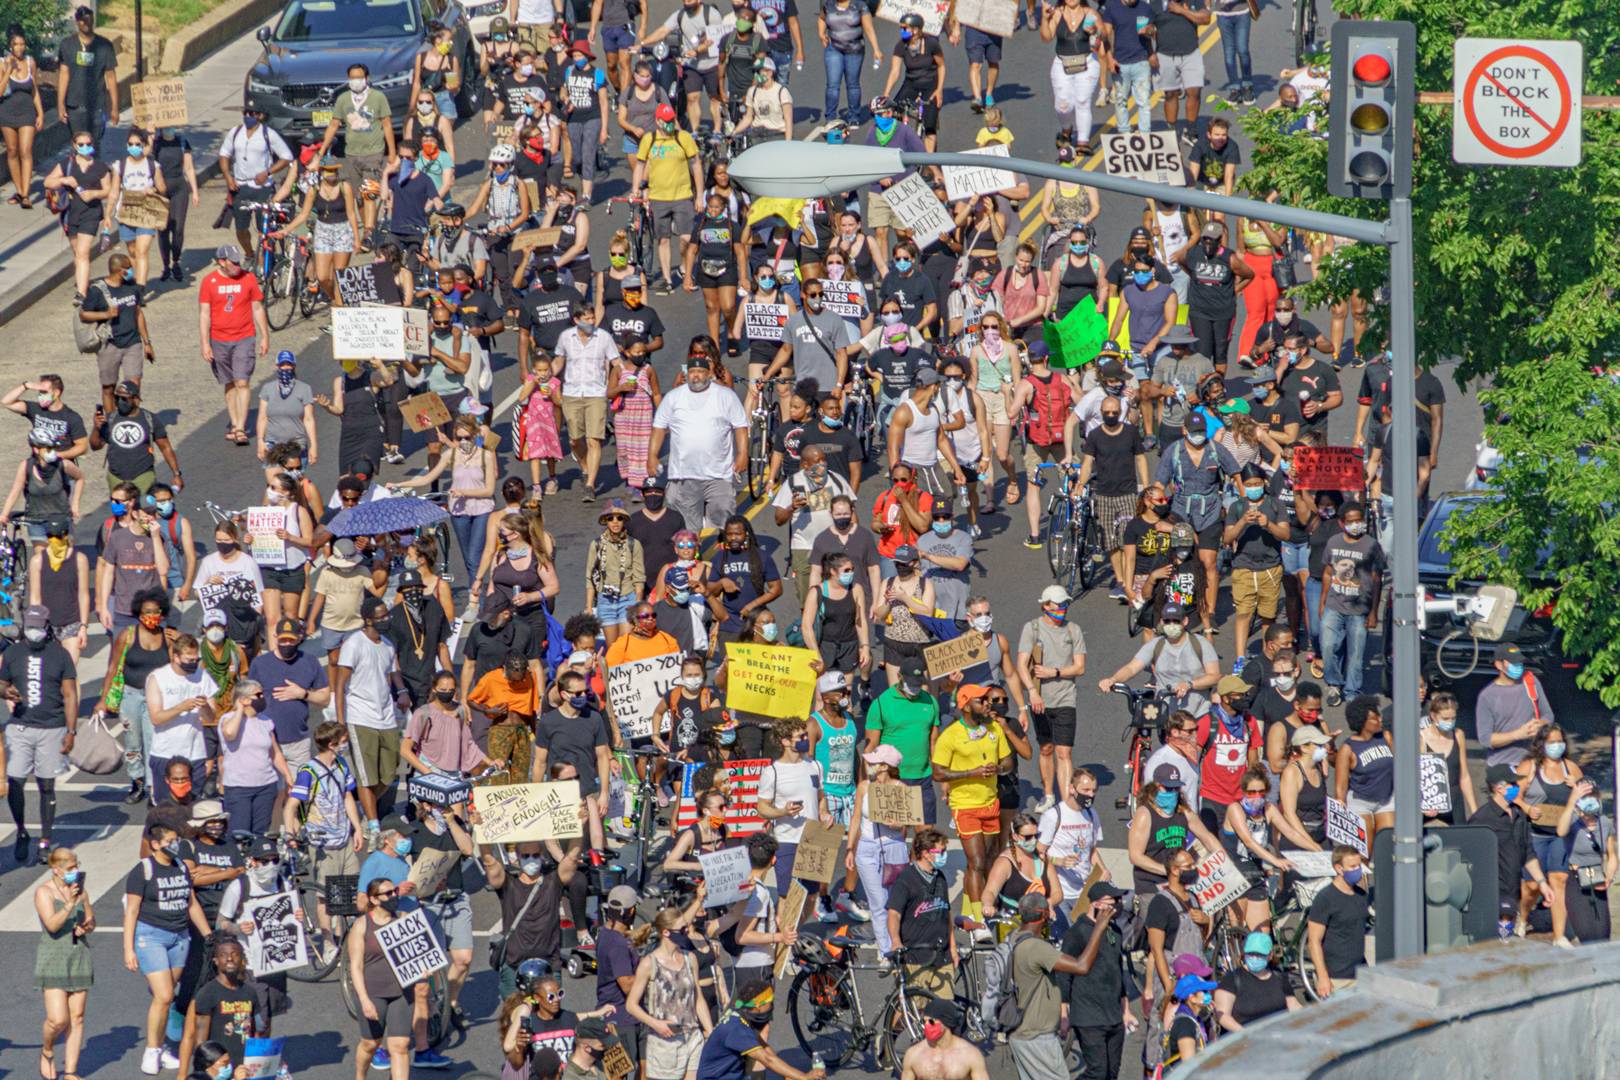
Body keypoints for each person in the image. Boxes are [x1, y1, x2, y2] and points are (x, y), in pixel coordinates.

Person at [125, 820, 211, 1076]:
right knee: (163, 996)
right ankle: (152, 1050)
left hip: (179, 937)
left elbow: (191, 903)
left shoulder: (181, 868)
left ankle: (160, 1046)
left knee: (165, 996)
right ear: (155, 844)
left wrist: (207, 934)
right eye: (170, 841)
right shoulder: (143, 871)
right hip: (151, 936)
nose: (176, 845)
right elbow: (131, 911)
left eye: (177, 840)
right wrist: (128, 949)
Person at [1008, 889, 1118, 1080]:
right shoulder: (1037, 947)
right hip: (1037, 1037)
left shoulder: (1015, 938)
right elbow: (1081, 966)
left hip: (1022, 1034)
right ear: (1043, 914)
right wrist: (1099, 928)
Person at [284, 721, 367, 961]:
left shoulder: (341, 764)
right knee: (326, 896)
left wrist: (357, 829)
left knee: (348, 890)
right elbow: (291, 806)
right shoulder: (308, 772)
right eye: (342, 742)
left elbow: (347, 796)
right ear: (331, 745)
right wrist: (291, 835)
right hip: (321, 844)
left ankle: (344, 937)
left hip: (344, 837)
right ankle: (329, 942)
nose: (346, 745)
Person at [932, 684, 1012, 926]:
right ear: (965, 705)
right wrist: (971, 773)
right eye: (982, 701)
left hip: (990, 803)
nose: (988, 704)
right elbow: (938, 773)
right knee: (976, 862)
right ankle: (979, 920)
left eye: (988, 700)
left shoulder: (994, 728)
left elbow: (1008, 762)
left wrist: (997, 768)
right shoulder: (951, 735)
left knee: (986, 859)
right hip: (965, 805)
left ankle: (968, 908)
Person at [648, 356, 749, 532]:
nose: (696, 376)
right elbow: (658, 428)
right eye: (692, 372)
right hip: (684, 474)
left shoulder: (726, 396)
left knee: (725, 518)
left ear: (709, 374)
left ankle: (724, 555)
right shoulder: (673, 397)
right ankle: (694, 557)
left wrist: (742, 454)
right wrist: (652, 456)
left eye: (700, 372)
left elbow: (740, 426)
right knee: (688, 529)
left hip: (718, 473)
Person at [335, 596, 409, 829]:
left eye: (387, 615)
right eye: (381, 617)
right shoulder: (354, 644)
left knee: (389, 774)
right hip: (360, 717)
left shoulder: (387, 644)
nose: (386, 619)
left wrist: (403, 691)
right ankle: (373, 824)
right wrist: (340, 721)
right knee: (367, 776)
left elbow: (393, 671)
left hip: (386, 716)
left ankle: (362, 806)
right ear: (367, 620)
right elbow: (340, 685)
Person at [1017, 585, 1087, 812]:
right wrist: (1032, 691)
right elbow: (1021, 664)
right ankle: (1048, 795)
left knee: (1064, 752)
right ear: (1045, 606)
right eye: (1058, 605)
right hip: (1040, 700)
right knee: (1046, 748)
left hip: (1066, 698)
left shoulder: (1073, 630)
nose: (1063, 610)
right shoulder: (1032, 628)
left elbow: (1079, 667)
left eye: (1065, 605)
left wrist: (1054, 672)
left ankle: (1066, 799)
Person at [1058, 881, 1136, 1080]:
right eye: (1112, 901)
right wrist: (1064, 1014)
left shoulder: (1115, 931)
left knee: (1111, 1073)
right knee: (1097, 1072)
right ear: (1096, 904)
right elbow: (1064, 974)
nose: (1117, 905)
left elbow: (1118, 970)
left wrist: (1126, 1011)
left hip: (1113, 1015)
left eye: (1119, 900)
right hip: (1088, 1016)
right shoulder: (1078, 932)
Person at [197, 245, 271, 447]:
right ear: (222, 261)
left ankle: (240, 427)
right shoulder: (209, 282)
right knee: (228, 383)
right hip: (219, 339)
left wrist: (265, 335)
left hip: (244, 337)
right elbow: (204, 314)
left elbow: (257, 307)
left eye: (239, 262)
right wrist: (205, 343)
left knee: (242, 382)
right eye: (234, 262)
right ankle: (235, 423)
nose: (238, 266)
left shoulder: (248, 278)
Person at [35, 844, 94, 1080]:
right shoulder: (44, 892)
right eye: (70, 867)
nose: (75, 870)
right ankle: (47, 1049)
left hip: (78, 954)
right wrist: (69, 904)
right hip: (53, 958)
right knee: (57, 1019)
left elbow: (90, 919)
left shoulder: (81, 891)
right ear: (56, 869)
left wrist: (87, 925)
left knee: (77, 1017)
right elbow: (52, 925)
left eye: (76, 866)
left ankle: (71, 1071)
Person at [348, 877, 417, 1080]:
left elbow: (417, 953)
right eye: (388, 893)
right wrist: (364, 1000)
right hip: (373, 993)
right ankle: (360, 1077)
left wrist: (424, 970)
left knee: (400, 1045)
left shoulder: (404, 919)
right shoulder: (362, 925)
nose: (394, 896)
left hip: (401, 992)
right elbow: (356, 966)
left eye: (394, 891)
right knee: (371, 1043)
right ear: (374, 900)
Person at [175, 937, 270, 1074]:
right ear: (216, 961)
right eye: (223, 955)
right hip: (221, 1069)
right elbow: (201, 1041)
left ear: (242, 960)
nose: (229, 959)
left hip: (245, 1068)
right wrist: (207, 1071)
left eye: (234, 954)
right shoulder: (208, 993)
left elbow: (256, 1032)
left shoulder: (250, 992)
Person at [865, 658, 941, 824]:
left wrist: (942, 779)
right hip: (892, 779)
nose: (914, 687)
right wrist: (866, 782)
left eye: (918, 683)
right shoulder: (881, 703)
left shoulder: (931, 702)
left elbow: (934, 742)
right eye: (910, 683)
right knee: (897, 834)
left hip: (923, 779)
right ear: (899, 676)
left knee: (926, 841)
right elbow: (870, 746)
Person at [885, 827, 957, 998]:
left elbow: (947, 914)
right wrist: (896, 941)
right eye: (941, 851)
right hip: (915, 958)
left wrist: (953, 949)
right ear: (926, 853)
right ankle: (894, 1025)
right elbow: (893, 914)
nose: (944, 855)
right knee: (913, 1012)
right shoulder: (906, 880)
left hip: (942, 956)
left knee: (945, 1013)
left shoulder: (940, 878)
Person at [1306, 844, 1371, 999]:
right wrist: (1323, 977)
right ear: (1339, 868)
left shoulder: (1360, 894)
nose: (1358, 870)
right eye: (1352, 866)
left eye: (1359, 866)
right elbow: (1314, 941)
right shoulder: (1325, 898)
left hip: (1360, 973)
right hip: (1337, 978)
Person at [1474, 643, 1553, 769]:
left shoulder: (1531, 682)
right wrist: (1517, 735)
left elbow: (1548, 714)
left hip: (1533, 762)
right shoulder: (1487, 696)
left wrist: (1541, 724)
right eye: (1513, 663)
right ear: (1498, 665)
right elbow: (1485, 739)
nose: (1518, 666)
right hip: (1501, 766)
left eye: (1520, 663)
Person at [1558, 779, 1617, 944]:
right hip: (1577, 880)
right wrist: (1571, 802)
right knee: (1587, 936)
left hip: (1597, 879)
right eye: (1585, 797)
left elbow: (1611, 855)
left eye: (1592, 796)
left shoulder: (1605, 822)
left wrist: (1609, 877)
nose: (1589, 800)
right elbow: (1561, 831)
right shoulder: (1572, 821)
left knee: (1603, 936)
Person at [55, 6, 117, 146]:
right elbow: (64, 74)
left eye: (89, 20)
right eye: (83, 21)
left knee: (94, 144)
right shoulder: (67, 45)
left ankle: (94, 168)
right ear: (77, 22)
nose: (86, 24)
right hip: (75, 104)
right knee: (78, 144)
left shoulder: (104, 45)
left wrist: (114, 107)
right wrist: (60, 104)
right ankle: (78, 167)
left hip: (97, 105)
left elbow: (111, 76)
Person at [1335, 696, 1394, 840]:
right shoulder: (1348, 748)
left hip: (1385, 800)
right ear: (1362, 722)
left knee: (1387, 845)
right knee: (1363, 851)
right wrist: (1340, 805)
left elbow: (1401, 764)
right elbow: (1341, 785)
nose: (1380, 720)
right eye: (1374, 718)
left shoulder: (1385, 737)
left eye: (1379, 716)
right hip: (1360, 802)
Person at [2, 27, 46, 209]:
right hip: (7, 111)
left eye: (22, 44)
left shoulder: (30, 62)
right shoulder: (2, 63)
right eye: (16, 44)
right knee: (12, 151)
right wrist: (8, 70)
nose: (19, 48)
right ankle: (19, 190)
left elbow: (34, 89)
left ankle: (26, 194)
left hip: (27, 111)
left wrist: (41, 113)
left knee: (25, 151)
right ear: (10, 46)